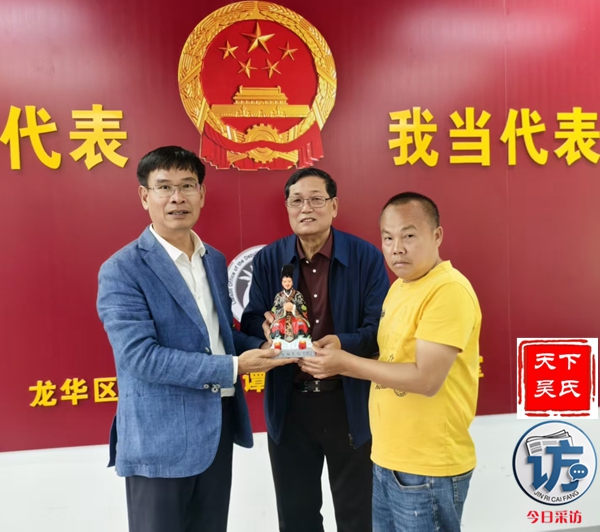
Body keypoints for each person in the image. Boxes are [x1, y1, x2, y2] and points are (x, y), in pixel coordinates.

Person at [96, 146, 295, 532]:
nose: (177, 198)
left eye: (187, 186)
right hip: (159, 441)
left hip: (215, 430)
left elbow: (218, 335)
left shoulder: (213, 260)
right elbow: (141, 357)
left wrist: (262, 347)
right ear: (144, 196)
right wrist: (234, 367)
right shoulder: (122, 269)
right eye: (164, 187)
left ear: (202, 194)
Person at [302, 192, 482, 532]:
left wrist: (344, 364)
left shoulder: (447, 291)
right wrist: (340, 349)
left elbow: (426, 379)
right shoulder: (400, 287)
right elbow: (391, 358)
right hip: (387, 456)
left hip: (427, 466)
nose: (396, 248)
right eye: (388, 238)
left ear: (437, 235)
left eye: (408, 236)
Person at [241, 168, 390, 532]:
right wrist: (265, 337)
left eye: (316, 199)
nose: (305, 208)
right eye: (296, 200)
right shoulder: (269, 259)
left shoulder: (366, 257)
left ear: (334, 206)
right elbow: (249, 321)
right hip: (290, 405)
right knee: (297, 518)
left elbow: (380, 330)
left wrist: (343, 344)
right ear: (287, 207)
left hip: (350, 403)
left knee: (359, 517)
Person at [270, 264, 310, 343]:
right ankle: (278, 341)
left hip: (296, 316)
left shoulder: (297, 294)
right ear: (282, 283)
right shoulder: (278, 296)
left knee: (300, 323)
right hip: (282, 317)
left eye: (289, 281)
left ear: (292, 282)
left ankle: (301, 340)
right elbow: (274, 309)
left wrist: (294, 307)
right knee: (277, 325)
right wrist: (283, 308)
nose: (287, 284)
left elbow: (304, 308)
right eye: (285, 281)